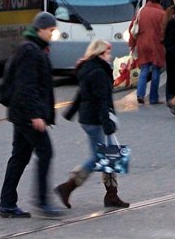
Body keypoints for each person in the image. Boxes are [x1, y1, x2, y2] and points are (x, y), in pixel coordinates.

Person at [0, 12, 60, 218]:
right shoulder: (30, 51)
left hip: (21, 113)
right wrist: (36, 115)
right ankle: (42, 201)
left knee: (20, 157)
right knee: (45, 153)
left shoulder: (32, 48)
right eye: (50, 30)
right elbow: (27, 86)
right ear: (40, 29)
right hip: (27, 116)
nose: (52, 34)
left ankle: (7, 203)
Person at [55, 39, 129, 209]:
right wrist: (107, 124)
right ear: (100, 54)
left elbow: (82, 92)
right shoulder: (98, 72)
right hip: (96, 120)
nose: (110, 56)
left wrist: (71, 111)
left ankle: (112, 195)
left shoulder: (89, 67)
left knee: (111, 154)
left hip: (89, 118)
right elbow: (100, 101)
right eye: (107, 53)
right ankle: (68, 186)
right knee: (100, 157)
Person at [128, 0, 165, 105]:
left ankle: (140, 94)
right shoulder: (162, 13)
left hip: (142, 44)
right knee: (156, 70)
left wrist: (132, 44)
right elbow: (165, 31)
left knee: (144, 70)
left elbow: (132, 29)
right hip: (157, 45)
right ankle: (153, 98)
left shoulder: (141, 11)